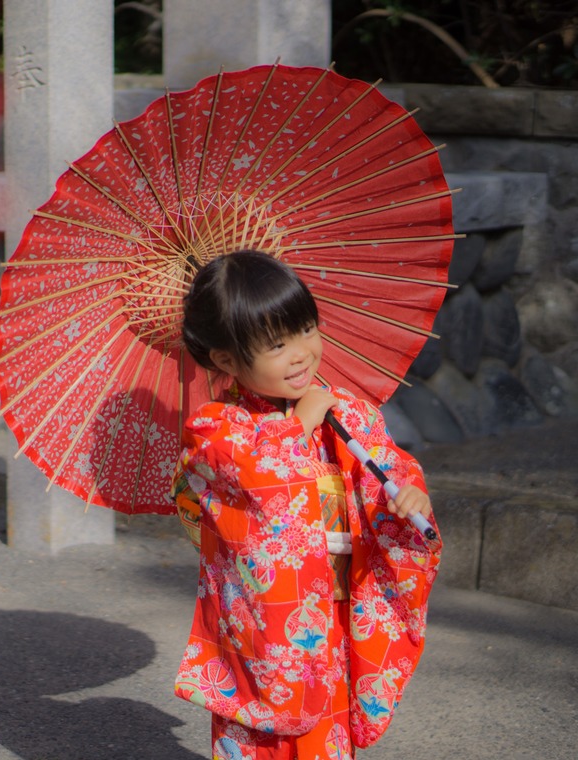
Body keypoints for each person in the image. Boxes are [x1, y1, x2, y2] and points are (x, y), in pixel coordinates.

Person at [172, 250, 441, 760]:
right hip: (263, 625)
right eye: (277, 344)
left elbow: (386, 466)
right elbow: (254, 477)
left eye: (307, 330)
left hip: (335, 610)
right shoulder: (217, 430)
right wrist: (300, 426)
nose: (301, 353)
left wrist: (406, 494)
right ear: (227, 359)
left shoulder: (345, 415)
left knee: (325, 735)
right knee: (261, 738)